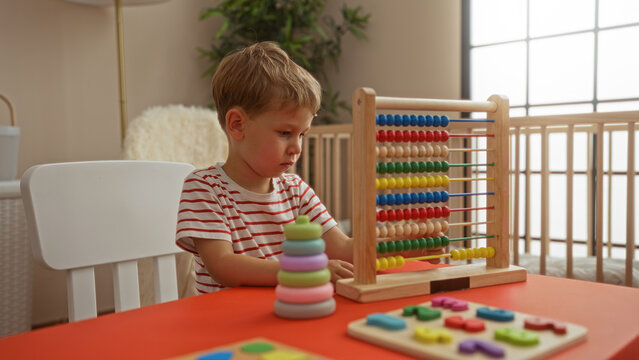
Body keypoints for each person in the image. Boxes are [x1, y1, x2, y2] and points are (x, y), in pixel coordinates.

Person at [175, 41, 353, 294]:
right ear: (237, 125)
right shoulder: (204, 188)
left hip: (282, 316)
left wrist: (403, 242)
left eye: (302, 134)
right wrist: (305, 270)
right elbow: (223, 266)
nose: (296, 147)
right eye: (285, 132)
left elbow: (343, 248)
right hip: (224, 326)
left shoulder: (296, 190)